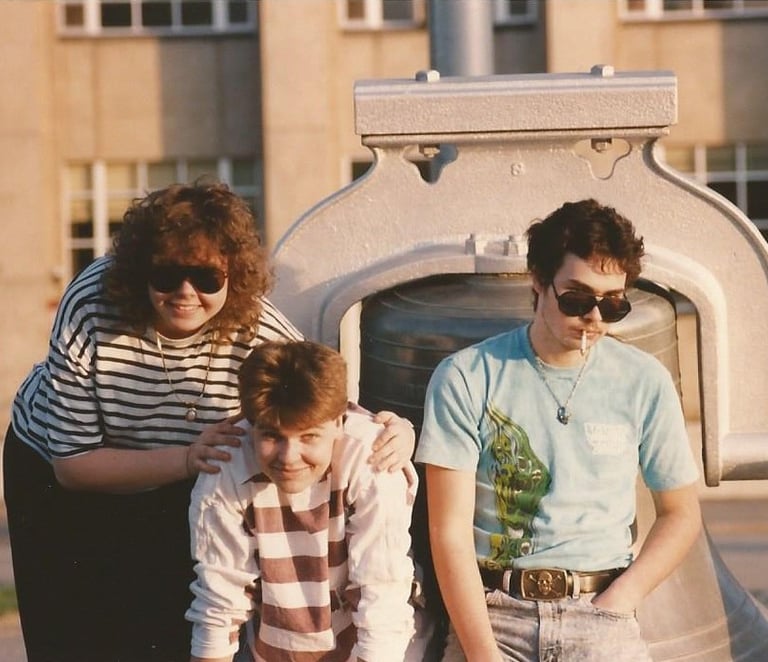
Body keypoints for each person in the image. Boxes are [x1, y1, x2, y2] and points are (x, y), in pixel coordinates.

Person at [3, 180, 416, 662]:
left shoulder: (257, 327)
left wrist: (395, 432)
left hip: (185, 468)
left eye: (205, 277)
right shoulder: (91, 304)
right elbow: (72, 465)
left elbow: (319, 402)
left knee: (171, 626)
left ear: (232, 276)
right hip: (63, 469)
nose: (185, 292)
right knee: (71, 635)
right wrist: (185, 458)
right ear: (139, 270)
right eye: (166, 274)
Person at [415, 199, 702, 662]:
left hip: (601, 613)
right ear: (537, 280)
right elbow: (448, 530)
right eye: (576, 298)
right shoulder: (466, 376)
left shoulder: (645, 381)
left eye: (613, 303)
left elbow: (681, 513)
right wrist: (483, 653)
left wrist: (619, 600)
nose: (594, 317)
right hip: (493, 616)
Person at [186, 339, 427, 662]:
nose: (289, 457)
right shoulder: (226, 464)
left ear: (339, 422)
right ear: (251, 425)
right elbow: (219, 603)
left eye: (309, 436)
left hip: (376, 645)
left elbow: (381, 598)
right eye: (271, 435)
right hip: (275, 645)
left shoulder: (374, 458)